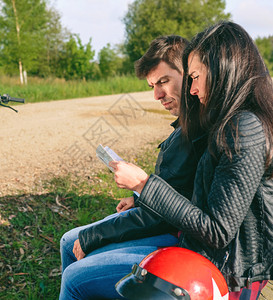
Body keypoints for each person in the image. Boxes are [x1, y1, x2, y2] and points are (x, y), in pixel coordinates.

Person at [110, 21, 273, 298]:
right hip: (220, 262)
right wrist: (142, 197)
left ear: (223, 68)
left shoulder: (245, 128)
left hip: (228, 275)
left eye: (195, 77)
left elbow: (218, 231)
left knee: (80, 281)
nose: (193, 90)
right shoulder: (242, 119)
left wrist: (143, 184)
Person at [59, 35, 208, 299]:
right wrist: (138, 197)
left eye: (163, 81)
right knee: (69, 241)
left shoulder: (197, 130)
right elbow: (177, 189)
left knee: (74, 273)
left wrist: (96, 235)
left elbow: (164, 214)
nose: (157, 95)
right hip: (165, 222)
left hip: (177, 237)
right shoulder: (187, 123)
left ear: (190, 74)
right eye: (152, 85)